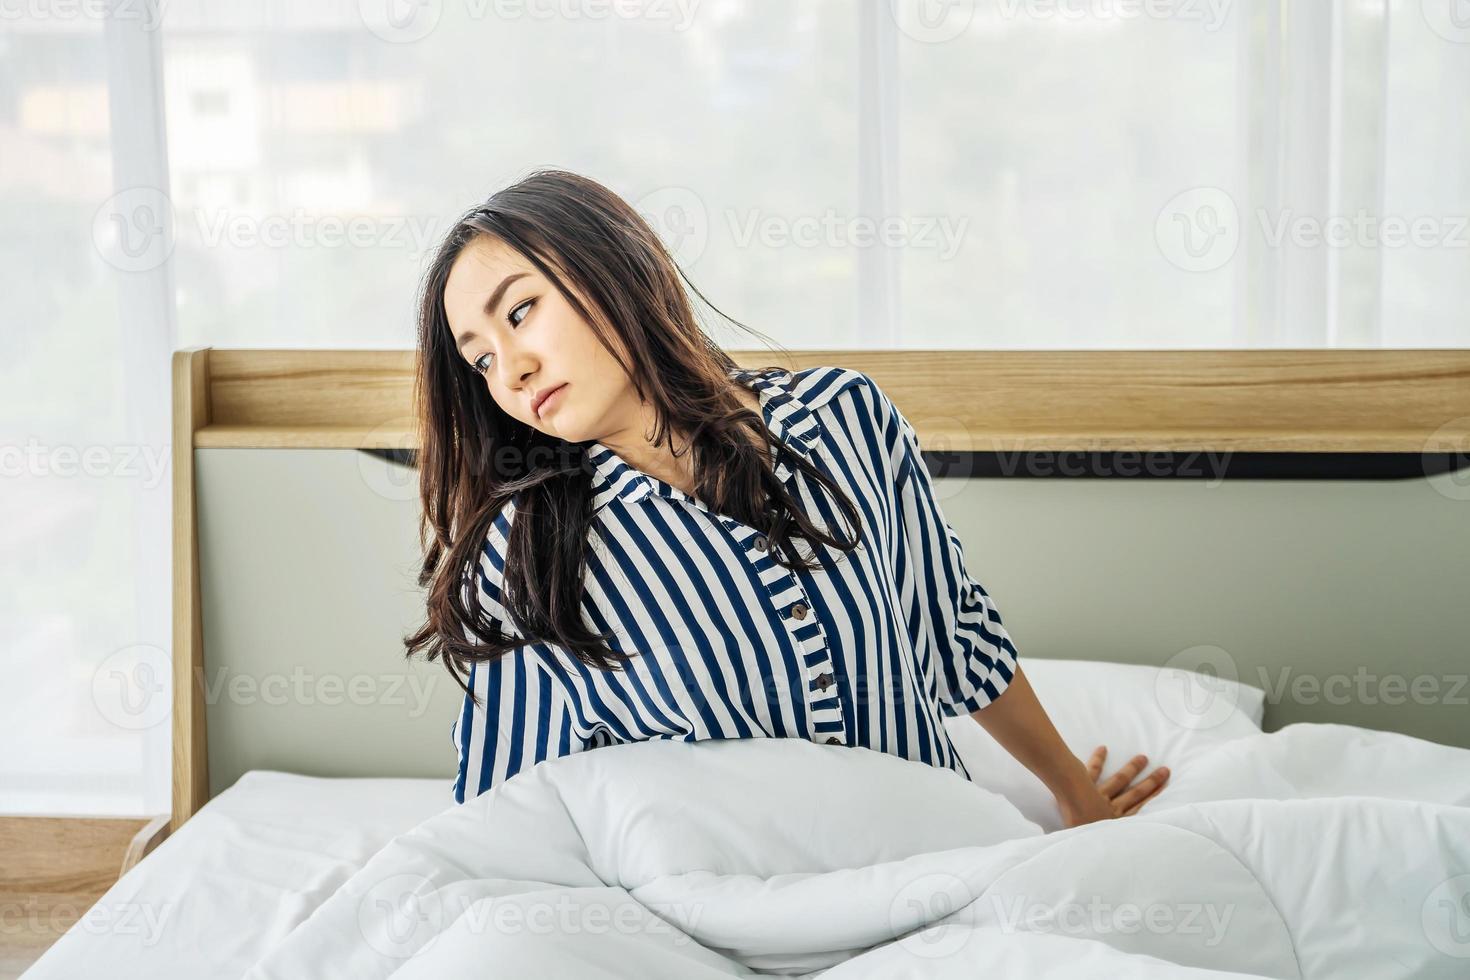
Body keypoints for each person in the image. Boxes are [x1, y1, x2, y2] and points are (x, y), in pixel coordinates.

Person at [404, 169, 1169, 828]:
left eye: (519, 312)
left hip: (942, 872)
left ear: (613, 267)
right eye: (479, 360)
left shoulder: (847, 418)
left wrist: (1073, 793)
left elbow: (952, 628)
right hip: (720, 924)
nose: (511, 369)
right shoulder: (526, 552)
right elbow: (506, 803)